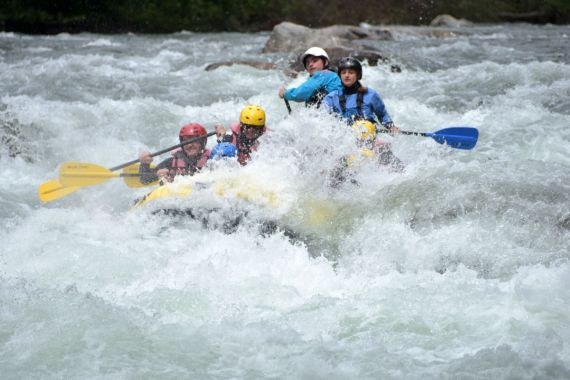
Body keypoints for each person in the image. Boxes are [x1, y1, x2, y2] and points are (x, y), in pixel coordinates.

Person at [323, 57, 399, 134]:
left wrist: (391, 127)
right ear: (340, 76)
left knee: (384, 145)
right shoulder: (331, 98)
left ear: (358, 75)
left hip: (369, 137)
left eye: (351, 72)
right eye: (343, 72)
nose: (347, 75)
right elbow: (325, 121)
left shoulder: (370, 94)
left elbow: (382, 115)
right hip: (344, 137)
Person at [329, 120, 404, 188]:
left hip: (352, 187)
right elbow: (401, 169)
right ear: (374, 136)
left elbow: (332, 181)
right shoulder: (383, 151)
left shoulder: (346, 156)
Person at [138, 123, 211, 184]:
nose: (189, 145)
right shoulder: (172, 162)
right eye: (186, 142)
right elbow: (144, 180)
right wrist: (145, 164)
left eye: (193, 141)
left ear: (202, 142)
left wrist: (222, 137)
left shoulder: (212, 160)